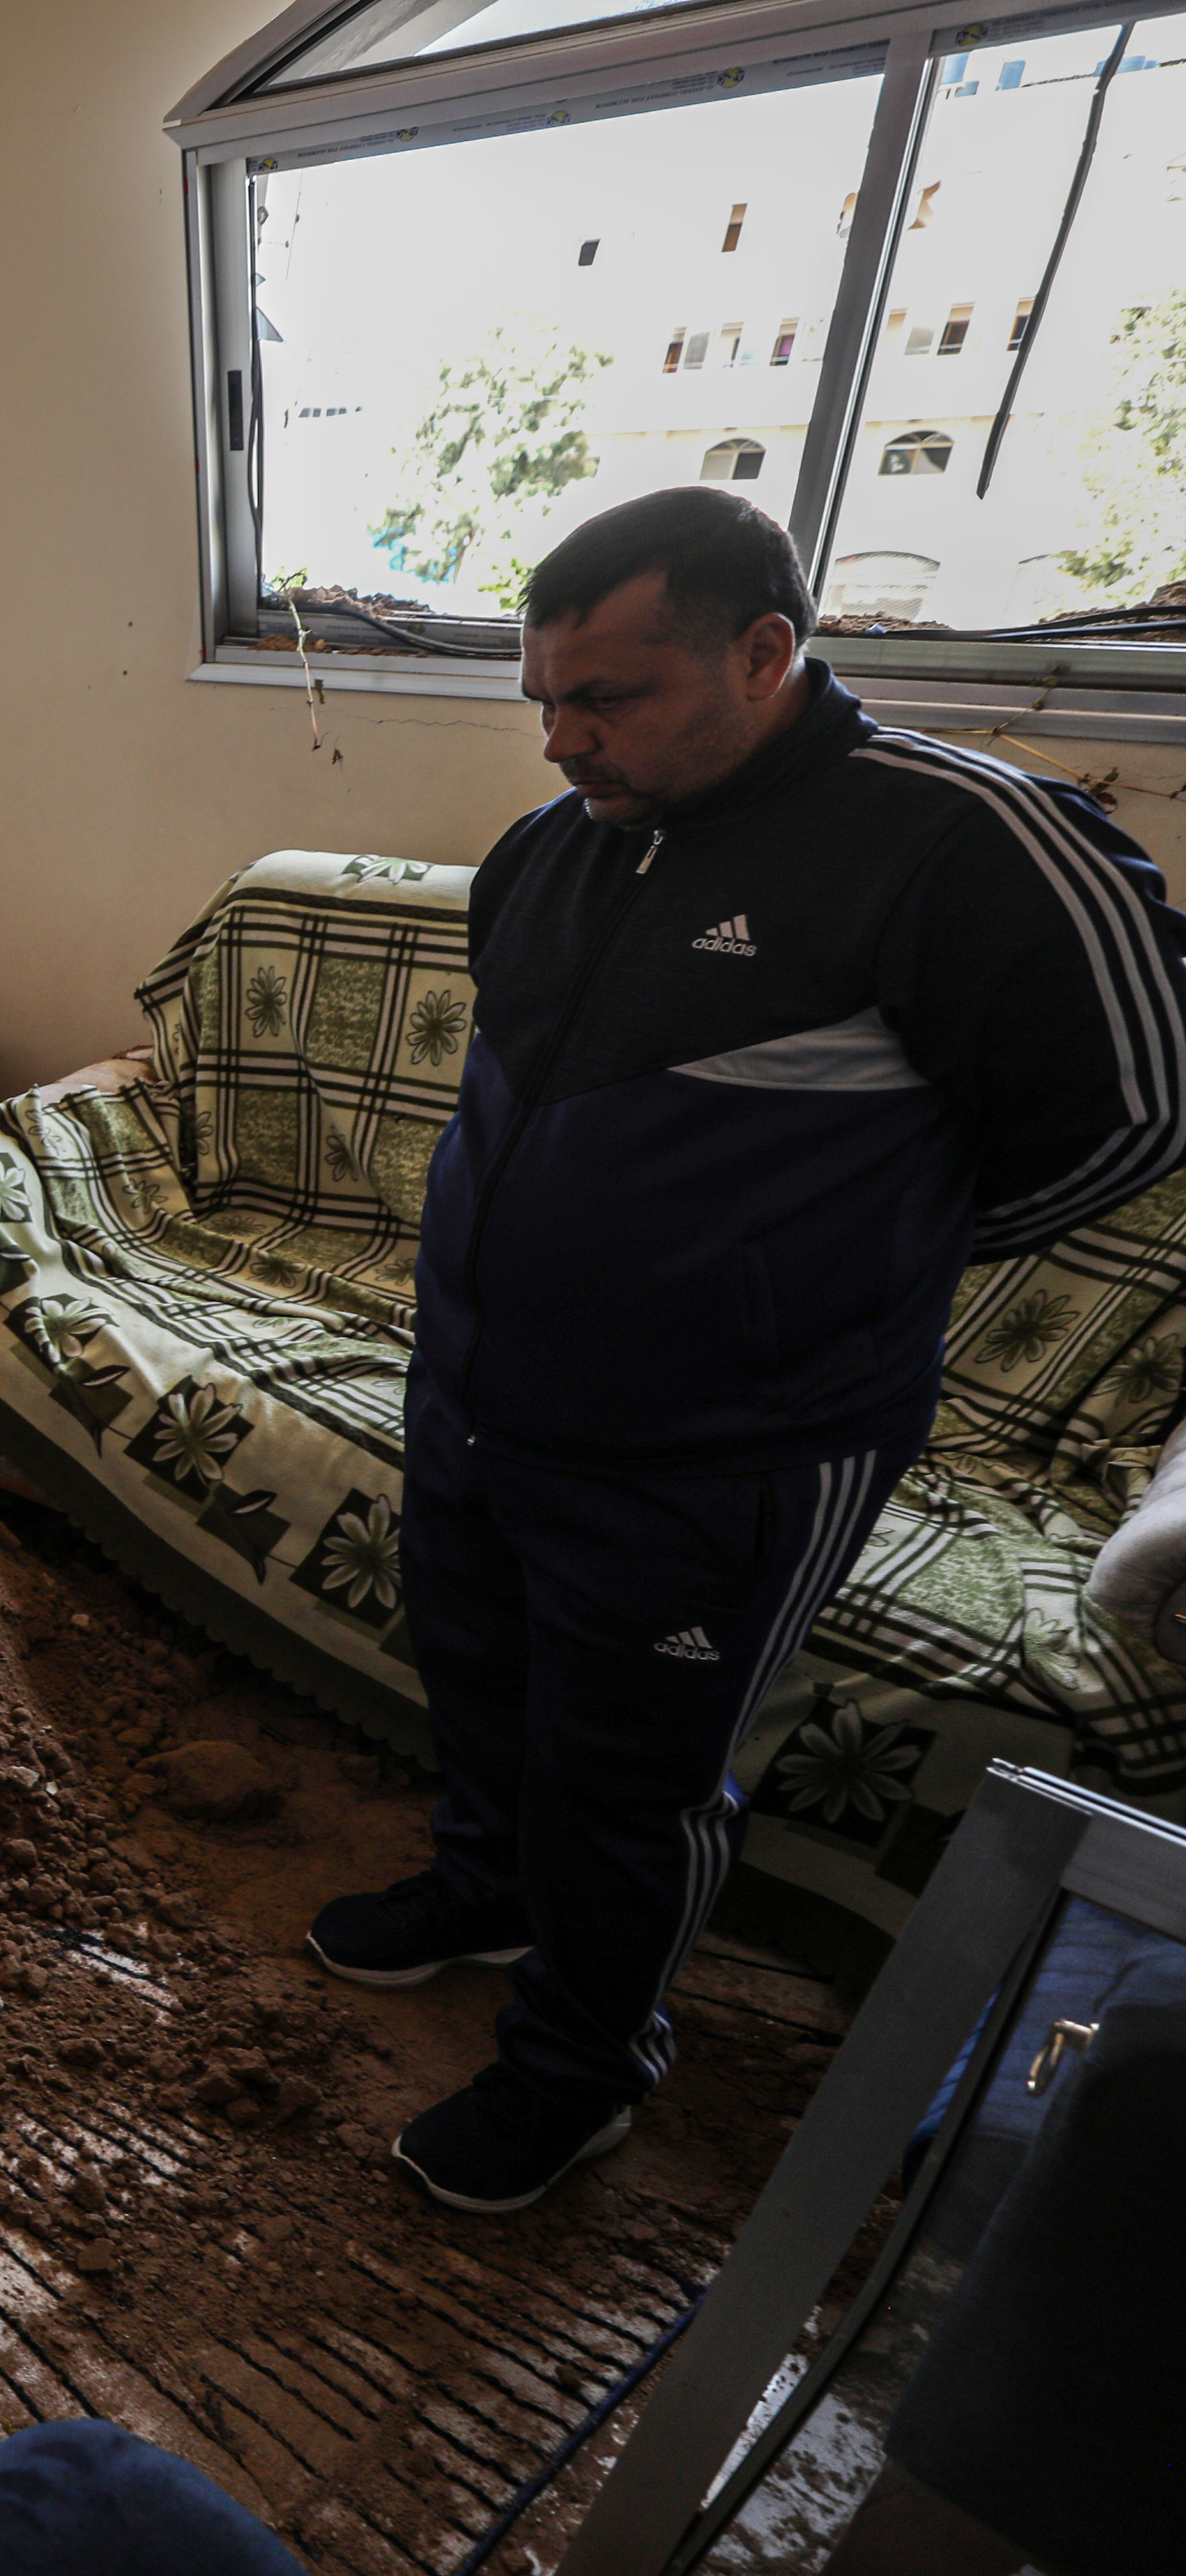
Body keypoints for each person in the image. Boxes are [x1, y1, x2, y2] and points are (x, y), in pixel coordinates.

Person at [310, 486, 1186, 2213]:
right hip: (487, 1391)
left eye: (609, 699)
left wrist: (850, 1266)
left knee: (630, 1774)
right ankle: (484, 1886)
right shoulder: (558, 848)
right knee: (483, 1678)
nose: (564, 740)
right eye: (543, 701)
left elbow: (1143, 1114)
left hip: (732, 1437)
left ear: (766, 652)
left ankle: (582, 2066)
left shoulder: (963, 844)